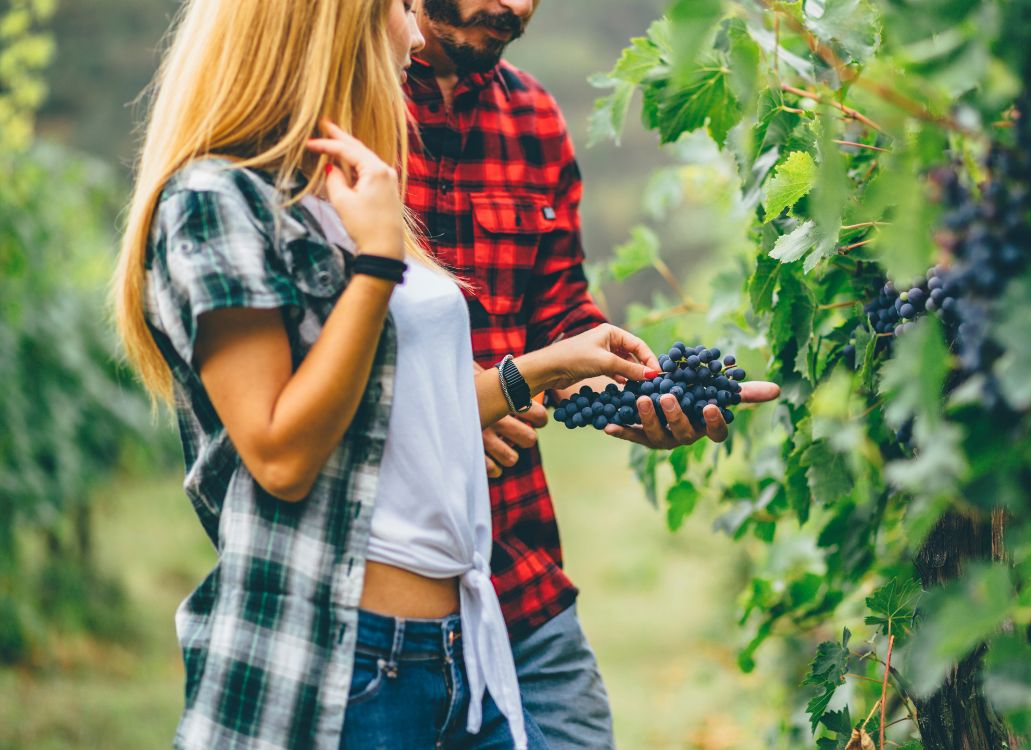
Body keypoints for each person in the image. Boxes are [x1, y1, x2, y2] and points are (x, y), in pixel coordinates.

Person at [112, 0, 662, 748]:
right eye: (397, 9)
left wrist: (569, 370)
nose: (412, 31)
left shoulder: (355, 185)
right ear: (329, 27)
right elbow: (280, 454)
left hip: (470, 633)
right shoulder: (223, 200)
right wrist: (377, 261)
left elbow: (400, 403)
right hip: (355, 651)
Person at [403, 1, 783, 747]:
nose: (512, 7)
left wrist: (639, 399)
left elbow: (561, 326)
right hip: (381, 599)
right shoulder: (339, 107)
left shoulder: (534, 118)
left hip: (519, 581)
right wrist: (459, 412)